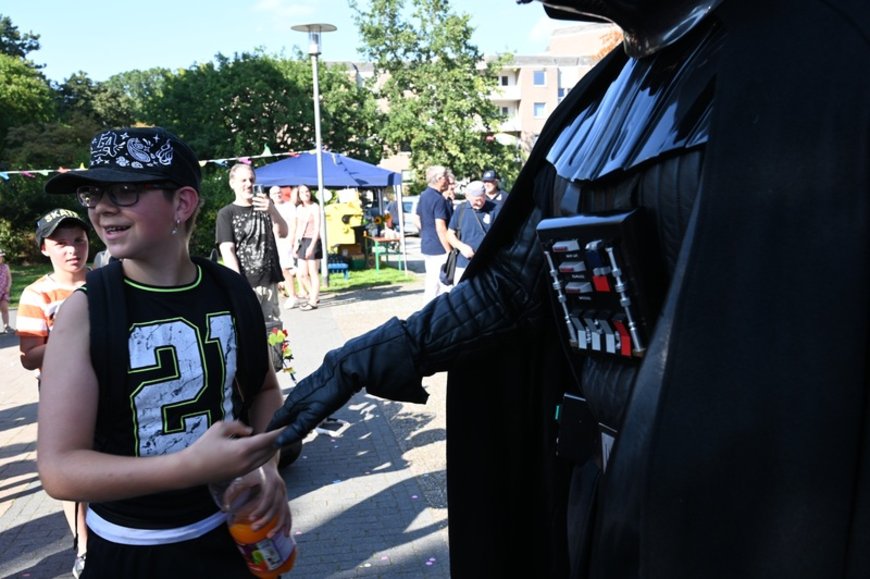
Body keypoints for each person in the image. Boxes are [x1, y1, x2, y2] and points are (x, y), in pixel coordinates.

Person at [267, 0, 870, 577]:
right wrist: (357, 361)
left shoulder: (837, 54)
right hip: (598, 486)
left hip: (749, 515)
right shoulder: (599, 99)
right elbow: (515, 288)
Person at [36, 126, 290, 578]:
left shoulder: (230, 290)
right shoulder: (88, 310)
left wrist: (267, 468)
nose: (102, 207)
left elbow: (265, 391)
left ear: (183, 203)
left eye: (127, 190)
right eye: (94, 193)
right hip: (132, 551)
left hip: (229, 534)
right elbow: (59, 469)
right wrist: (187, 467)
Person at [16, 208, 91, 577]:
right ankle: (84, 546)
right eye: (61, 243)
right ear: (45, 249)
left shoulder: (109, 279)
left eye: (79, 240)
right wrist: (74, 338)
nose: (72, 250)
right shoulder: (36, 293)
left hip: (113, 390)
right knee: (74, 474)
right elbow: (29, 357)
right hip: (63, 396)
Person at [215, 164, 288, 333]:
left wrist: (273, 210)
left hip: (269, 281)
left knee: (273, 336)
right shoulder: (226, 213)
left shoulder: (266, 208)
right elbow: (228, 251)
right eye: (243, 180)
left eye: (251, 180)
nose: (248, 184)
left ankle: (274, 361)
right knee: (249, 333)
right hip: (246, 284)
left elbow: (283, 233)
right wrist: (238, 285)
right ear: (232, 183)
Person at [445, 181, 499, 282]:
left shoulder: (495, 209)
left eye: (482, 198)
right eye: (476, 200)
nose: (479, 203)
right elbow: (449, 234)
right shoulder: (460, 209)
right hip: (463, 265)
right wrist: (462, 247)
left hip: (487, 266)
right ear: (467, 196)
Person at [414, 165, 453, 302]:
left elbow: (417, 219)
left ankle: (425, 314)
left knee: (431, 283)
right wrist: (449, 251)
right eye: (446, 177)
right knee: (443, 285)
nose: (448, 180)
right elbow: (440, 227)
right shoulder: (438, 199)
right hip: (439, 248)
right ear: (439, 179)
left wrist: (425, 234)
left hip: (427, 245)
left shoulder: (424, 195)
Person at [269, 185, 304, 309]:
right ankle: (288, 292)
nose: (278, 195)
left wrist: (292, 239)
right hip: (274, 242)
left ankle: (293, 295)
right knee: (280, 269)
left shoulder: (289, 206)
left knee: (285, 269)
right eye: (275, 193)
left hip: (286, 241)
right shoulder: (270, 207)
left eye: (279, 192)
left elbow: (294, 223)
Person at [293, 184, 322, 311]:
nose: (306, 194)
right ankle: (313, 294)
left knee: (313, 272)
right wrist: (295, 244)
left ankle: (313, 301)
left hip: (313, 240)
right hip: (302, 241)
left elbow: (317, 228)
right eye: (303, 192)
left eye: (307, 191)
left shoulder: (315, 207)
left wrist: (311, 246)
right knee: (302, 274)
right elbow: (298, 228)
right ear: (299, 195)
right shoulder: (299, 208)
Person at [0, 248, 12, 333]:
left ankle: (6, 326)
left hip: (4, 291)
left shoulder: (5, 267)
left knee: (4, 308)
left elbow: (9, 278)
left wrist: (8, 286)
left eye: (1, 257)